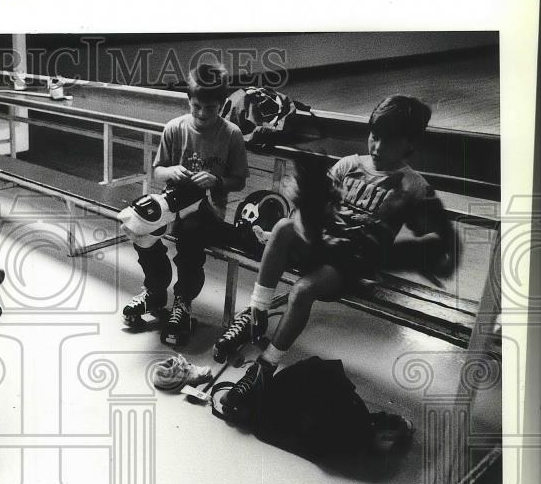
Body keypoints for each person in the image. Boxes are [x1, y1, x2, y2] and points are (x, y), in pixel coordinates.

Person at [218, 95, 458, 414]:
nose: (376, 145)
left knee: (302, 291)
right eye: (374, 135)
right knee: (283, 228)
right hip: (322, 245)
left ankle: (263, 369)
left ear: (409, 144)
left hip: (352, 264)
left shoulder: (413, 185)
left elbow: (433, 231)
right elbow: (314, 206)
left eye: (388, 141)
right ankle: (256, 315)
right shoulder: (348, 165)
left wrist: (426, 238)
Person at [122, 64, 249, 345]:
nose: (202, 114)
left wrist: (217, 181)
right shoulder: (175, 128)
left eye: (210, 109)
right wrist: (171, 172)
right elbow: (158, 171)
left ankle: (183, 301)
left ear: (223, 104)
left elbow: (239, 181)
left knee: (190, 234)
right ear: (188, 100)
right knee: (139, 226)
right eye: (196, 107)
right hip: (171, 205)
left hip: (209, 213)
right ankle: (155, 290)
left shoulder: (231, 134)